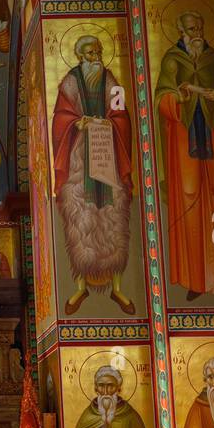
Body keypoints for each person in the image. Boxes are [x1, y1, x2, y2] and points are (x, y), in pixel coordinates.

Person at [155, 12, 214, 299]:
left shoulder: (213, 57)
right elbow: (161, 98)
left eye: (200, 27)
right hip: (185, 142)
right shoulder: (171, 60)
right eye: (191, 28)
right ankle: (195, 279)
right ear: (180, 30)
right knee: (190, 202)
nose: (197, 33)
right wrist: (179, 98)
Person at [52, 35, 135, 314]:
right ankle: (79, 286)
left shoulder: (110, 80)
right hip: (79, 160)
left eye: (98, 51)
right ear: (80, 56)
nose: (96, 55)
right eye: (90, 51)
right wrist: (78, 123)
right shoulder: (70, 83)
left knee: (113, 218)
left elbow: (121, 113)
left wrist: (110, 123)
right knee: (80, 218)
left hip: (107, 156)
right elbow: (60, 118)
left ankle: (117, 287)